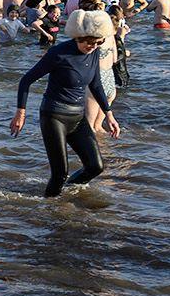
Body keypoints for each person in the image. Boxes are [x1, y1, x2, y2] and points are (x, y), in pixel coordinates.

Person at [11, 10, 119, 197]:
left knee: (95, 166)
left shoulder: (94, 52)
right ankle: (50, 208)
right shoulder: (58, 53)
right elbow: (26, 80)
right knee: (60, 173)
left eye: (97, 43)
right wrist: (20, 113)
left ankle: (66, 194)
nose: (93, 47)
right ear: (78, 37)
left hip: (77, 117)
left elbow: (95, 84)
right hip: (54, 116)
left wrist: (109, 114)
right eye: (89, 43)